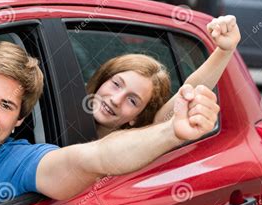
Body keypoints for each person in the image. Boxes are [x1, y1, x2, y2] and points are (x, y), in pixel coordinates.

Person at [0, 40, 219, 205]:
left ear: (20, 120)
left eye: (6, 105)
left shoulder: (20, 163)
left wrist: (171, 131)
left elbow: (94, 158)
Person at [88, 15, 240, 138]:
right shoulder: (65, 98)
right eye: (116, 84)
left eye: (132, 101)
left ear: (136, 118)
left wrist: (224, 51)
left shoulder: (135, 142)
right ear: (102, 79)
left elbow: (189, 92)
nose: (116, 100)